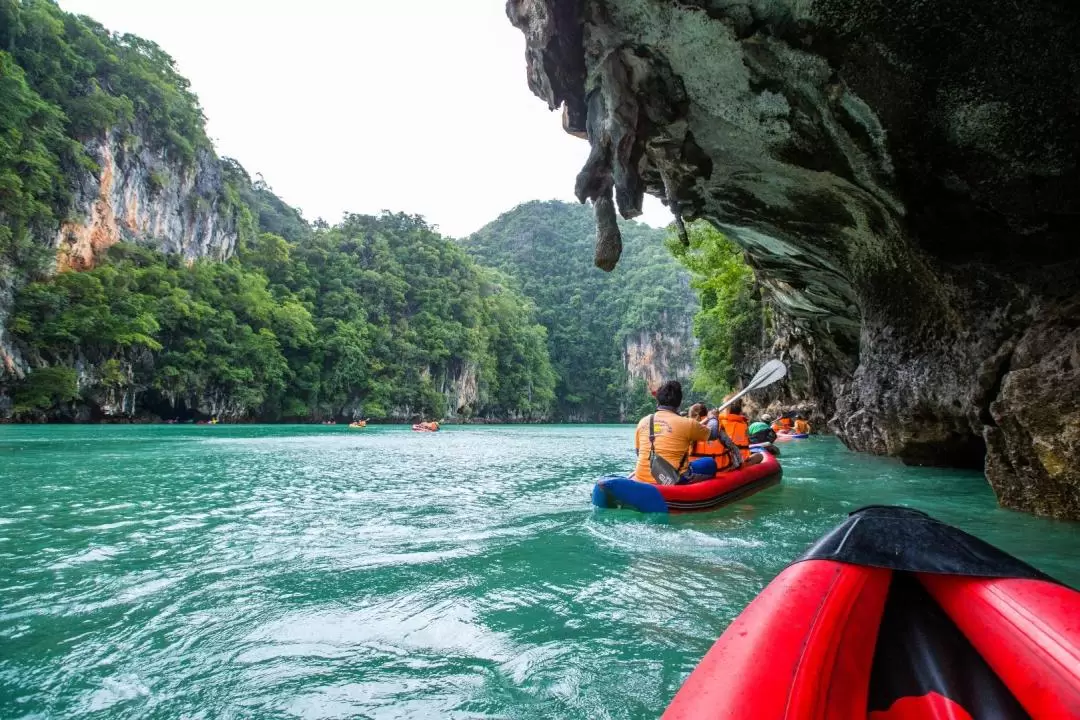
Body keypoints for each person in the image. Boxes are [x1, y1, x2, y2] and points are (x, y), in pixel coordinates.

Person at [633, 381, 714, 484]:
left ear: (658, 401)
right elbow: (713, 434)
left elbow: (638, 452)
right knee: (710, 463)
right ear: (679, 402)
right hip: (673, 479)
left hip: (642, 478)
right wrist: (712, 418)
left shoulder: (643, 421)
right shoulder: (688, 424)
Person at [689, 404, 743, 473]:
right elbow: (734, 449)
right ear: (707, 413)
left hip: (696, 474)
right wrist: (739, 465)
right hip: (720, 472)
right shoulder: (717, 429)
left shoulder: (686, 431)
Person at [718, 397, 764, 466]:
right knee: (760, 456)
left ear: (725, 409)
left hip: (724, 462)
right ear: (740, 411)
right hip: (740, 462)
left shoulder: (718, 422)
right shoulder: (744, 424)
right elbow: (747, 442)